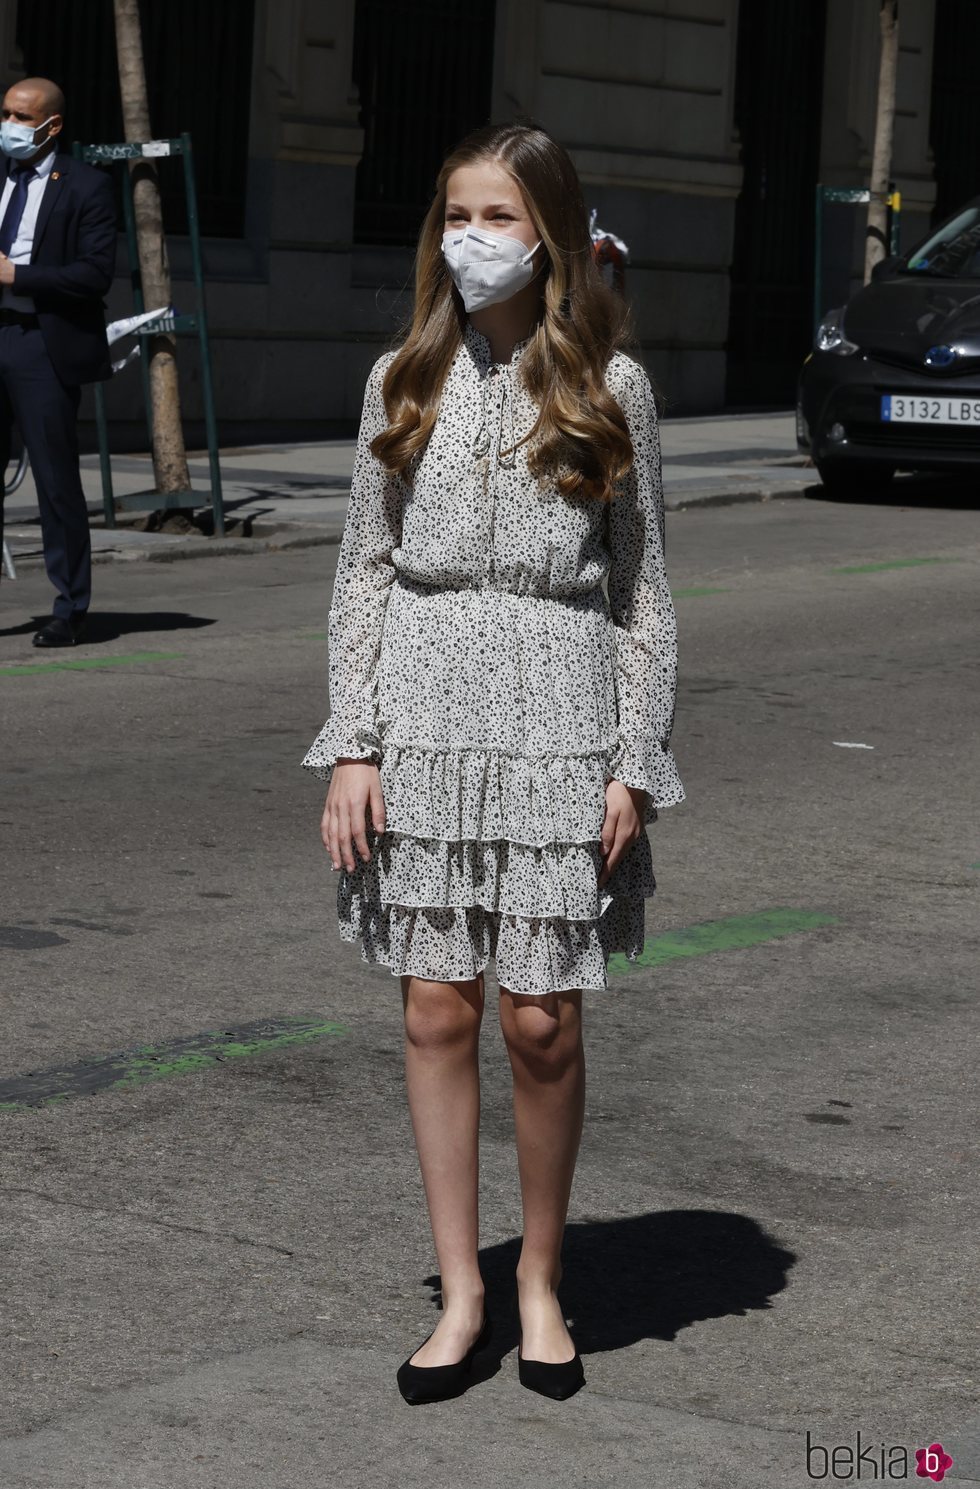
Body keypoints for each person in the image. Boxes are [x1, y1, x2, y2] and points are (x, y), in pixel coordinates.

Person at [302, 122, 684, 1404]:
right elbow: (362, 563)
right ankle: (461, 1287)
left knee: (539, 1019)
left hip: (558, 714)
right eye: (459, 213)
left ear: (557, 239)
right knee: (435, 1006)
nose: (475, 237)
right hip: (420, 706)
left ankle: (539, 1279)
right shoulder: (399, 376)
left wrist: (633, 761)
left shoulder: (609, 387)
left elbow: (643, 590)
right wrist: (351, 740)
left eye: (503, 217)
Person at [0, 77, 115, 647]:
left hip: (40, 343)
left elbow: (95, 275)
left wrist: (17, 276)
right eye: (6, 114)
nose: (12, 126)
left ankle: (70, 607)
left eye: (23, 117)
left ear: (53, 125)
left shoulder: (87, 186)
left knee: (54, 482)